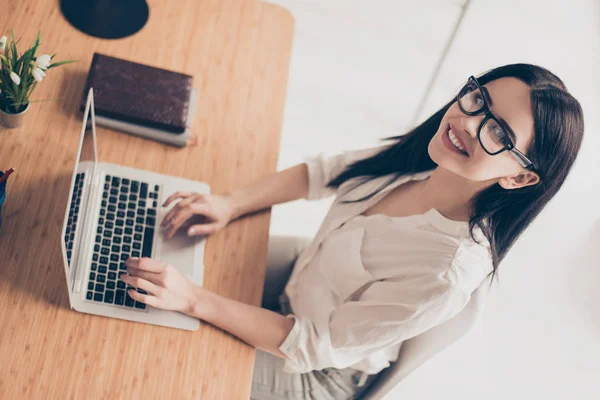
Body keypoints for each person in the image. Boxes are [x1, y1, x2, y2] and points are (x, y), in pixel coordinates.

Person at [120, 63, 584, 399]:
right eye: (478, 99)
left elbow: (307, 345)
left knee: (163, 347)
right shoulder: (429, 153)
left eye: (498, 133)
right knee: (161, 242)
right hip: (309, 272)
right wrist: (229, 203)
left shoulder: (445, 274)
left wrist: (194, 299)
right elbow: (323, 172)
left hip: (311, 368)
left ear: (519, 177)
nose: (466, 122)